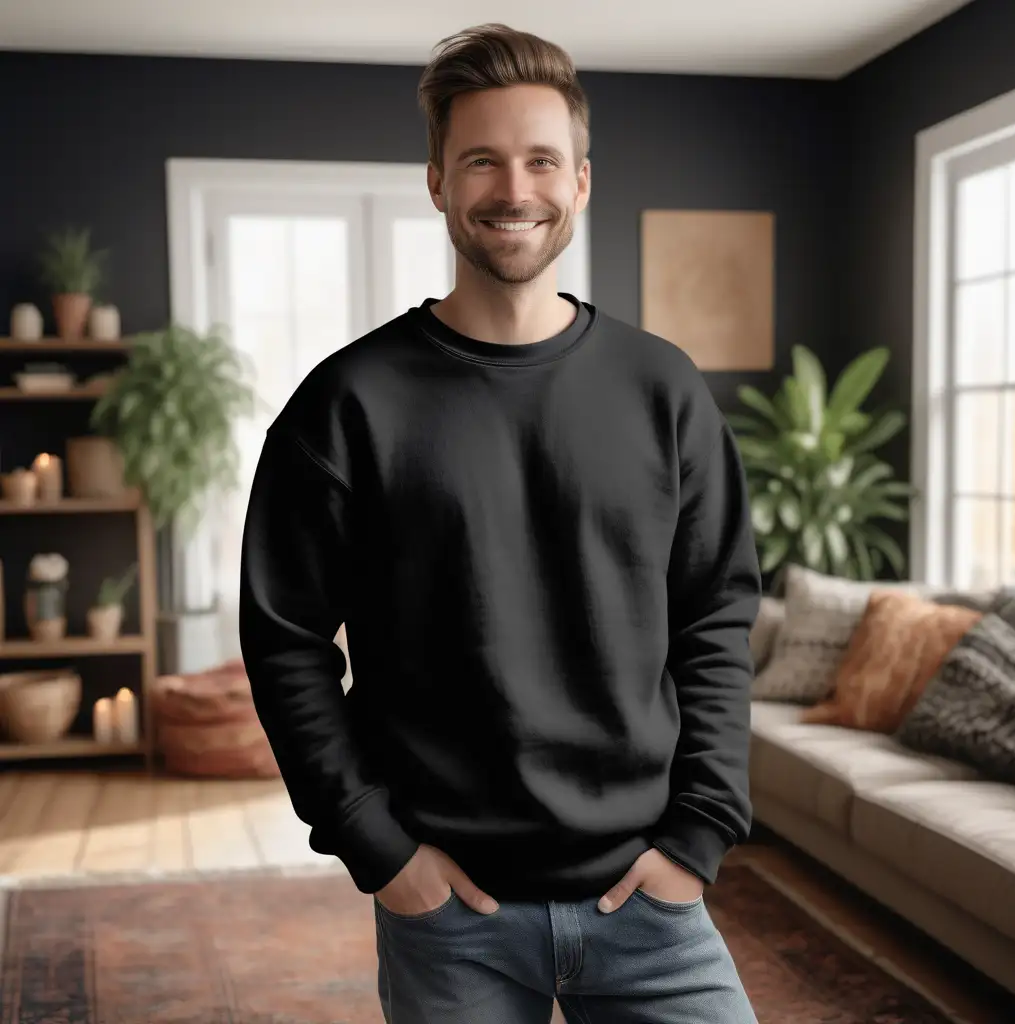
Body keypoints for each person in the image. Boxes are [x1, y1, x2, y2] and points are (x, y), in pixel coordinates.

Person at [238, 21, 762, 1024]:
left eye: (539, 161)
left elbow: (717, 619)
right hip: (451, 916)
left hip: (650, 903)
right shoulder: (347, 403)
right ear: (437, 180)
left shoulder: (663, 390)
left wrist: (697, 836)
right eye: (481, 160)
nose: (513, 189)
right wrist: (376, 848)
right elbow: (285, 637)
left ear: (580, 182)